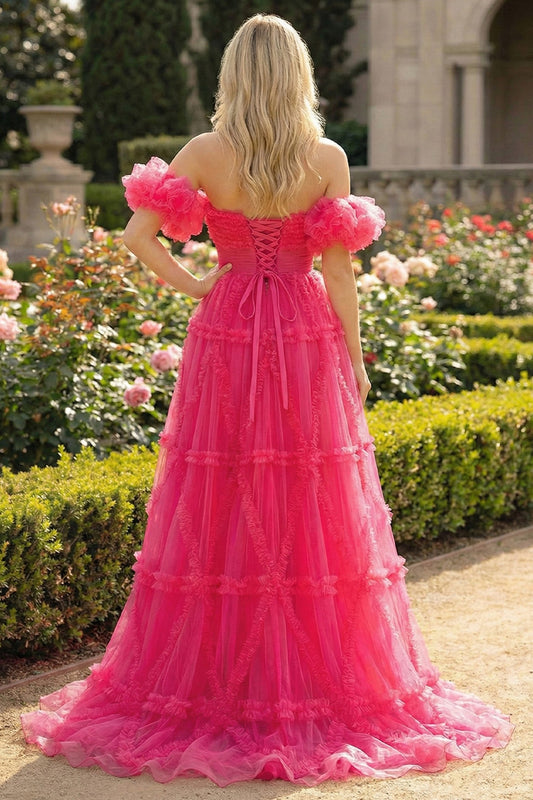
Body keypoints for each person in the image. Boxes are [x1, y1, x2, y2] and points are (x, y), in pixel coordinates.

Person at [21, 14, 513, 786]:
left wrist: (195, 283)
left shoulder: (204, 153)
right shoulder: (324, 157)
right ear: (298, 74)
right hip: (304, 330)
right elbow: (342, 272)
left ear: (231, 77)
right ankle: (314, 682)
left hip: (227, 331)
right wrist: (352, 360)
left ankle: (215, 677)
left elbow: (136, 236)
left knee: (219, 487)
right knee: (307, 494)